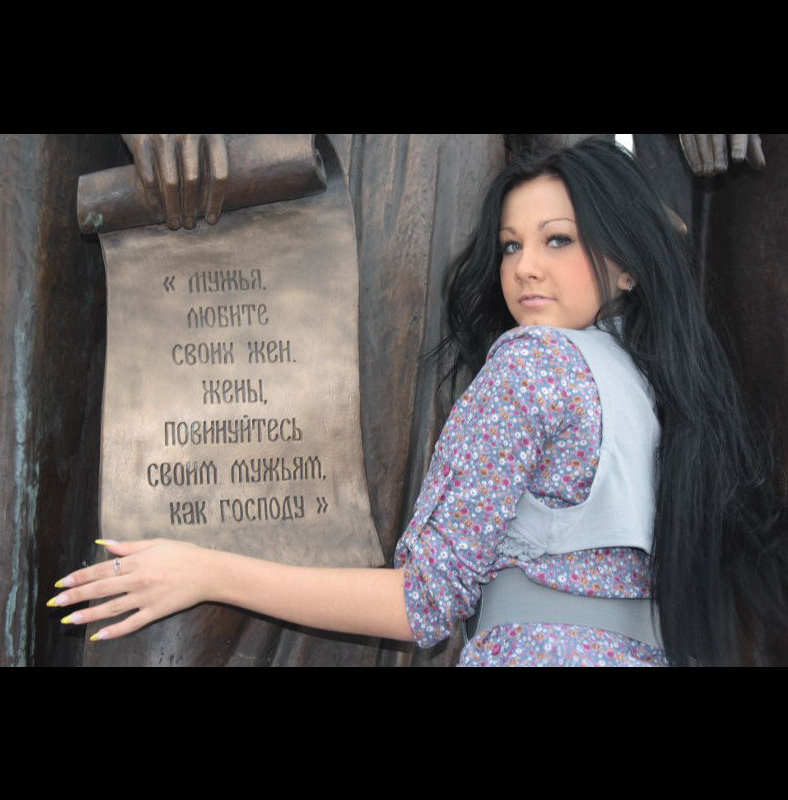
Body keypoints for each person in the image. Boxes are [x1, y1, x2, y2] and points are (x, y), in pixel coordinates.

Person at [47, 138, 788, 666]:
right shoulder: (657, 386)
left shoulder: (532, 366)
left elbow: (422, 604)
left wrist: (203, 572)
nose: (525, 268)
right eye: (510, 245)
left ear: (628, 266)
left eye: (558, 241)